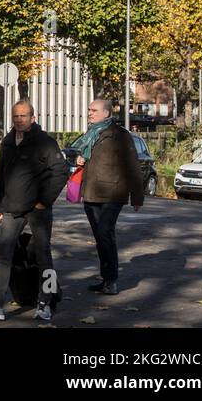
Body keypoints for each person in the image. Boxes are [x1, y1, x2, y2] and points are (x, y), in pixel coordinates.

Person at [0, 100, 69, 323]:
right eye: (15, 116)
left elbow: (61, 172)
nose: (19, 120)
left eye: (23, 116)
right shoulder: (8, 141)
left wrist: (44, 202)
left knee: (44, 255)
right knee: (4, 255)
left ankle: (45, 304)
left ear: (33, 118)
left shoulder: (44, 142)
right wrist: (0, 206)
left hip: (38, 210)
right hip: (11, 208)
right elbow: (2, 176)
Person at [70, 99, 144, 295]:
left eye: (94, 110)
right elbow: (79, 154)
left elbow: (133, 166)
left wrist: (137, 197)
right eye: (88, 109)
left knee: (105, 233)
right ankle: (105, 279)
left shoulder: (120, 135)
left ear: (106, 113)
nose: (90, 113)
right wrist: (78, 159)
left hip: (113, 193)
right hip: (91, 193)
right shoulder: (89, 134)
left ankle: (111, 280)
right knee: (100, 238)